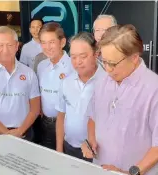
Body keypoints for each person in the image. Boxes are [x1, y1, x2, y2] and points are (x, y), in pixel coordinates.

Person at [81, 24, 158, 175]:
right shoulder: (103, 82)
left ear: (134, 58)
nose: (107, 69)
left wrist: (132, 172)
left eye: (113, 63)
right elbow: (93, 118)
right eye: (104, 61)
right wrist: (90, 140)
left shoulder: (156, 90)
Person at [0, 26, 40, 141]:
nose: (5, 50)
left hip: (24, 133)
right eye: (0, 45)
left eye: (9, 45)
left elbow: (35, 109)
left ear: (16, 46)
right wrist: (6, 133)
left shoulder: (29, 73)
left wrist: (20, 131)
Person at [55, 32, 105, 162]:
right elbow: (61, 116)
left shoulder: (108, 82)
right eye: (73, 57)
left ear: (96, 54)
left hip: (97, 152)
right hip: (69, 147)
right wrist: (59, 149)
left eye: (83, 56)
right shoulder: (66, 81)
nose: (78, 62)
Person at [37, 22, 74, 149]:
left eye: (52, 42)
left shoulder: (73, 66)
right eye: (43, 42)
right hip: (46, 123)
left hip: (67, 125)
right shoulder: (41, 66)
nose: (47, 47)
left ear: (62, 42)